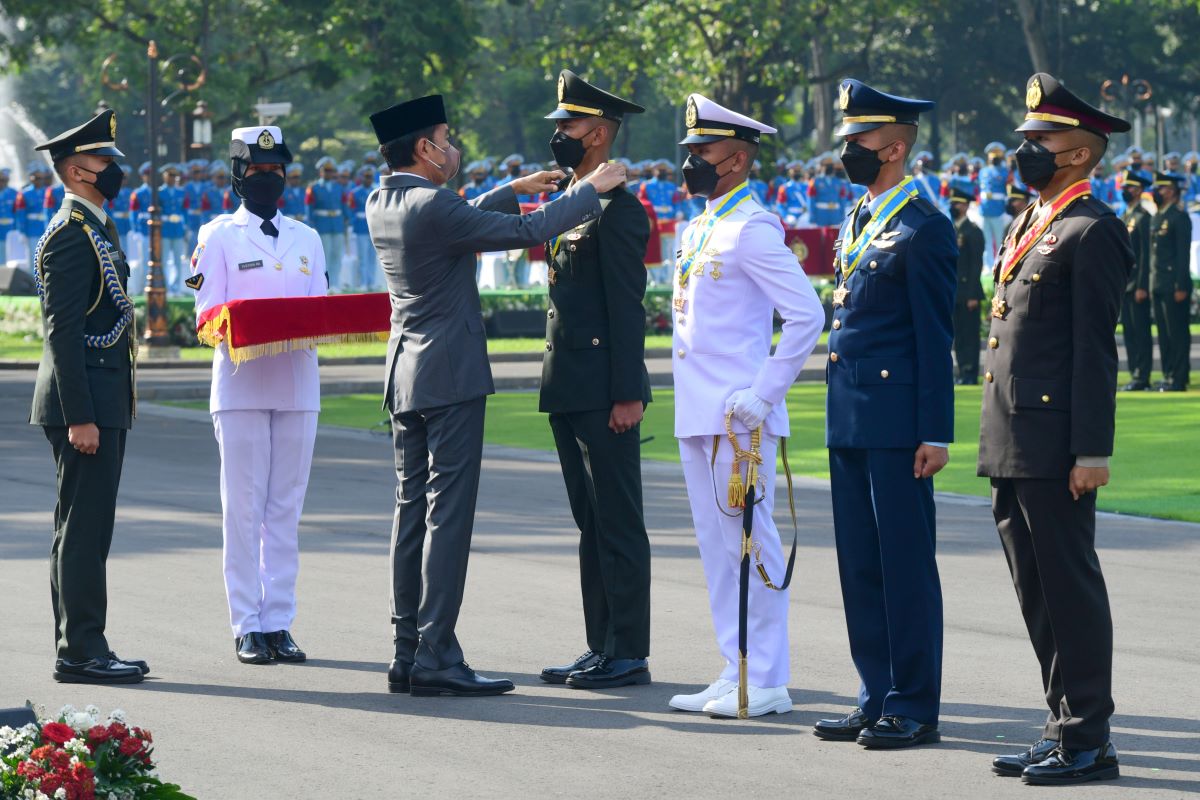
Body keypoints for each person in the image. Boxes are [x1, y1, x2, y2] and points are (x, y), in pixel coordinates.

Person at [366, 92, 628, 697]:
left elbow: (454, 220)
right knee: (447, 518)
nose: (454, 147)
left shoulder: (386, 199)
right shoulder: (434, 204)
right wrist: (592, 190)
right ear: (426, 149)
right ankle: (437, 654)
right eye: (447, 138)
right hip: (450, 376)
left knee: (411, 515)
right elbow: (526, 230)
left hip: (406, 372)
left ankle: (408, 650)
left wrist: (516, 183)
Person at [980, 72, 1132, 785]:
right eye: (1026, 140)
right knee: (1035, 588)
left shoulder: (1093, 229)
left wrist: (1092, 450)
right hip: (1012, 434)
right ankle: (1061, 723)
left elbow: (1094, 351)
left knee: (1068, 586)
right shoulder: (1027, 221)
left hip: (1057, 440)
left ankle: (1090, 737)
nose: (1027, 150)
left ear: (1078, 153)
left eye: (1041, 140)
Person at [667, 93, 824, 718]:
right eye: (691, 152)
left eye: (702, 152)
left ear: (735, 159)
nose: (692, 162)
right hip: (700, 412)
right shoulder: (702, 224)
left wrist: (765, 393)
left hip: (739, 421)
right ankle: (734, 667)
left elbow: (807, 314)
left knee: (753, 544)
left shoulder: (753, 228)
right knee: (716, 546)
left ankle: (766, 678)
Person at [814, 79, 956, 749]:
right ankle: (874, 691)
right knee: (860, 562)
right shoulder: (860, 216)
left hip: (899, 421)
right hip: (850, 413)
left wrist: (936, 430)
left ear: (896, 147)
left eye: (860, 141)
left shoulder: (924, 225)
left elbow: (935, 336)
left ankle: (914, 702)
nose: (849, 151)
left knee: (903, 561)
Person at [188, 125, 327, 666]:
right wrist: (244, 325)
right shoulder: (217, 235)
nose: (268, 179)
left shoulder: (307, 238)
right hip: (242, 383)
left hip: (297, 382)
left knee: (285, 508)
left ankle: (280, 623)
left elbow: (320, 308)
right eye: (258, 170)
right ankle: (247, 623)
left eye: (276, 171)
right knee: (242, 508)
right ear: (237, 175)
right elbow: (205, 316)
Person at [535, 69, 653, 691]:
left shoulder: (617, 211)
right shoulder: (575, 202)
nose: (559, 134)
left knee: (617, 520)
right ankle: (599, 643)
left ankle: (628, 648)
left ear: (600, 134)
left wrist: (628, 392)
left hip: (606, 389)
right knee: (590, 523)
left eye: (570, 125)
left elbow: (625, 306)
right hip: (571, 383)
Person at [30, 109, 146, 685]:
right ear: (77, 170)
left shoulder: (97, 227)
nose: (114, 171)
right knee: (83, 530)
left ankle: (81, 645)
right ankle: (82, 650)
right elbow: (64, 332)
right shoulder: (73, 237)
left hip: (102, 402)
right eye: (105, 163)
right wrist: (81, 416)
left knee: (86, 529)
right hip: (85, 409)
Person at [1149, 171, 1193, 391]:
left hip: (1173, 284)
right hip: (1158, 282)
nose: (1159, 191)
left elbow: (1183, 255)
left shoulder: (1179, 216)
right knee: (1164, 334)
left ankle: (1179, 377)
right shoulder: (1159, 216)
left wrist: (1181, 285)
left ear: (1173, 191)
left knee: (1177, 333)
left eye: (1163, 188)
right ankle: (1168, 374)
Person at [1118, 170, 1154, 391]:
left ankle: (1143, 375)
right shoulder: (1125, 216)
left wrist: (1142, 285)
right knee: (1130, 332)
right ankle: (1134, 373)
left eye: (1130, 187)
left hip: (1137, 285)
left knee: (1141, 332)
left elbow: (1145, 255)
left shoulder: (1143, 218)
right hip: (1125, 284)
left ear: (1139, 190)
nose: (1125, 190)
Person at [950, 186, 984, 384]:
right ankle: (962, 371)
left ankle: (970, 373)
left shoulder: (973, 231)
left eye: (957, 203)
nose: (954, 206)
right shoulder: (952, 229)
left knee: (970, 335)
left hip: (968, 292)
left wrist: (972, 294)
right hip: (955, 292)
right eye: (953, 203)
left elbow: (975, 265)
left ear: (965, 206)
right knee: (959, 336)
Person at [307, 156, 346, 291]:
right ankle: (326, 284)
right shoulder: (314, 188)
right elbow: (309, 209)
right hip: (322, 225)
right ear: (321, 171)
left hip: (337, 224)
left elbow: (344, 206)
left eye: (331, 170)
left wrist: (347, 222)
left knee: (337, 255)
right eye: (326, 170)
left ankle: (335, 283)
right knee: (326, 256)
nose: (329, 173)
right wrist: (310, 225)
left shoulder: (339, 187)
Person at [157, 163, 188, 295]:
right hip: (165, 229)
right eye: (170, 175)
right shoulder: (159, 192)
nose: (172, 178)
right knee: (163, 260)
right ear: (164, 176)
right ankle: (166, 287)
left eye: (174, 175)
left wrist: (185, 225)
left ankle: (176, 287)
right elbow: (157, 211)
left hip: (177, 230)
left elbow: (184, 210)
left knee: (177, 260)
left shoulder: (181, 192)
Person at [978, 142, 1009, 268]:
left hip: (998, 210)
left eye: (996, 158)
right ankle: (989, 266)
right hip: (984, 210)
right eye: (992, 157)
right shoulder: (983, 171)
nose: (993, 160)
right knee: (987, 242)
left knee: (1000, 240)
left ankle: (1000, 265)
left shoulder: (1005, 171)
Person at [348, 164, 379, 291]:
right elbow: (351, 210)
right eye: (366, 177)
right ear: (361, 177)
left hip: (375, 228)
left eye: (370, 177)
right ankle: (363, 282)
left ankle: (371, 282)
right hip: (361, 227)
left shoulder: (378, 190)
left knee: (372, 257)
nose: (368, 179)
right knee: (362, 258)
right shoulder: (355, 193)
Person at [0, 168, 16, 265]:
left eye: (4, 180)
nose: (2, 183)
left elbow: (18, 213)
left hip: (10, 229)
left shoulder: (14, 193)